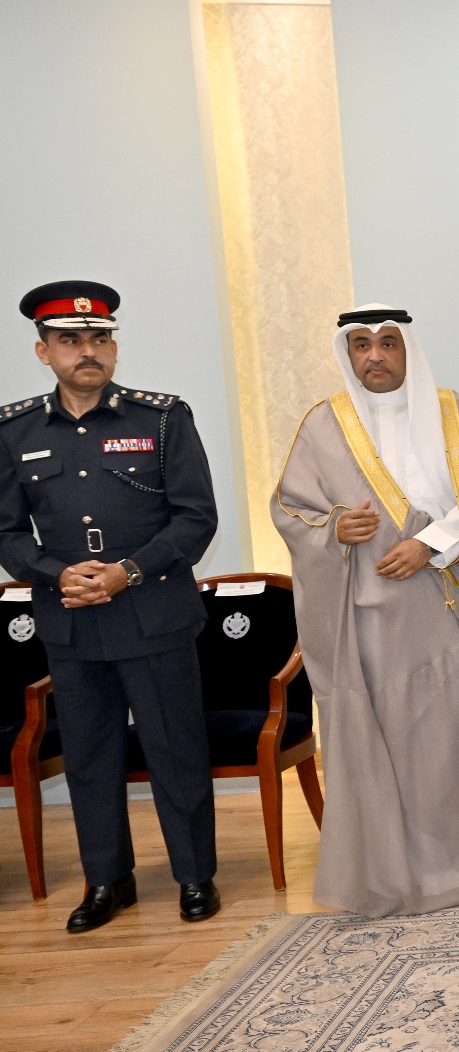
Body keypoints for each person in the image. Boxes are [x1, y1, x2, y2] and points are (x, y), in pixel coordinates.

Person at [273, 305, 459, 917]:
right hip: (367, 620)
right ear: (348, 354)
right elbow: (291, 509)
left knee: (442, 744)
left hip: (449, 609)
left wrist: (429, 544)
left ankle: (450, 869)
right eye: (362, 345)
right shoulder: (324, 424)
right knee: (381, 743)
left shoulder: (453, 414)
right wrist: (335, 527)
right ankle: (386, 870)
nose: (375, 356)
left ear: (406, 350)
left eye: (388, 343)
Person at [0, 281, 221, 932]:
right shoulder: (14, 430)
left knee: (175, 751)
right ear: (44, 352)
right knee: (89, 759)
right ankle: (107, 880)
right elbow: (7, 532)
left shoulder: (162, 418)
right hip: (71, 619)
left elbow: (195, 517)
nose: (87, 351)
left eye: (99, 338)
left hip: (154, 614)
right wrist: (56, 574)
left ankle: (194, 876)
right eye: (70, 340)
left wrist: (128, 572)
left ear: (114, 348)